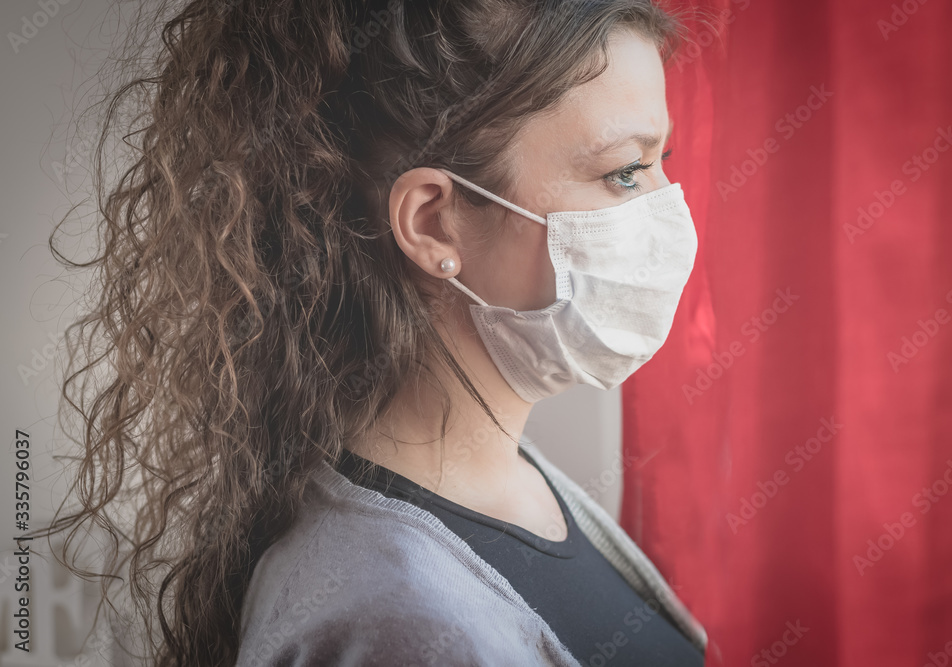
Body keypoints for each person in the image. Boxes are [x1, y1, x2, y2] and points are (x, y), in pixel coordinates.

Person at [41, 0, 711, 664]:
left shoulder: (503, 476)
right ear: (432, 224)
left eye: (662, 158)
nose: (669, 210)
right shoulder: (400, 622)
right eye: (624, 171)